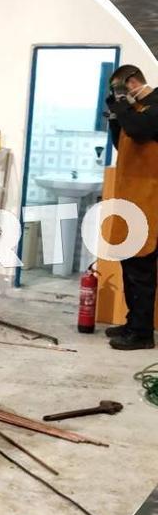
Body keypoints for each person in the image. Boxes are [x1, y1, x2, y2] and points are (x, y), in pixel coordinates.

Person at [104, 64, 157, 350]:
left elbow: (139, 130)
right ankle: (132, 323)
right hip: (131, 201)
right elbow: (121, 144)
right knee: (130, 265)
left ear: (132, 83)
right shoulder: (132, 111)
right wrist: (114, 116)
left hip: (151, 202)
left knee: (142, 269)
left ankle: (142, 334)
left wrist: (123, 105)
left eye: (121, 90)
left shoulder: (156, 105)